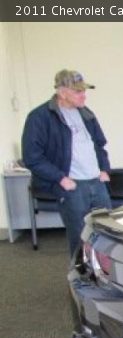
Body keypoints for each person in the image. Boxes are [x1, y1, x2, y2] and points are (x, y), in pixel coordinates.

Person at [22, 69, 112, 256]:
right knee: (80, 239)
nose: (83, 95)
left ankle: (104, 273)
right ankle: (81, 274)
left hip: (97, 182)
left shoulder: (86, 113)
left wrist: (104, 169)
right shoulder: (40, 117)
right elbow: (32, 157)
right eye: (78, 91)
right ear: (62, 92)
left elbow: (99, 144)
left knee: (106, 234)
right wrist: (60, 178)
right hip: (73, 186)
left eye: (84, 90)